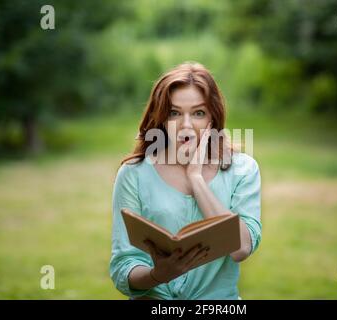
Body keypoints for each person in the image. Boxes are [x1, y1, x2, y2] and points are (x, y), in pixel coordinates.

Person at [109, 62, 262, 300]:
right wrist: (156, 275)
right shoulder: (134, 173)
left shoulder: (243, 169)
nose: (186, 126)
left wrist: (196, 180)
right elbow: (123, 266)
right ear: (160, 118)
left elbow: (241, 248)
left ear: (213, 116)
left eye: (198, 113)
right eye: (174, 113)